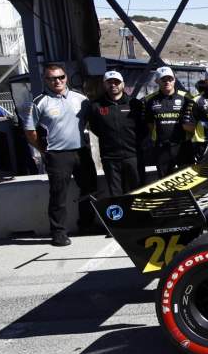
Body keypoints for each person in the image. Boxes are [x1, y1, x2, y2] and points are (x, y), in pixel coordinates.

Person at [22, 63, 96, 247]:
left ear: (66, 78)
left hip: (81, 152)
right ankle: (58, 233)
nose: (58, 81)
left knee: (89, 189)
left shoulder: (81, 99)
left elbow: (92, 121)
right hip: (57, 155)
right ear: (45, 80)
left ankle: (87, 225)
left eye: (61, 77)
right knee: (58, 195)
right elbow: (30, 132)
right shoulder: (39, 102)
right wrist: (42, 149)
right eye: (52, 78)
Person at [87, 70, 144, 195]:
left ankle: (139, 215)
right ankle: (123, 215)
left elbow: (143, 128)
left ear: (122, 84)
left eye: (116, 82)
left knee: (138, 191)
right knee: (116, 194)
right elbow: (95, 128)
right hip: (110, 158)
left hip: (133, 156)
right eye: (109, 82)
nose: (113, 85)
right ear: (104, 85)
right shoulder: (96, 106)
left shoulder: (135, 104)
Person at [144, 66, 194, 178]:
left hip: (183, 146)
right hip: (162, 147)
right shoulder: (149, 100)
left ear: (174, 80)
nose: (167, 82)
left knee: (189, 178)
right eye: (163, 79)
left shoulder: (187, 97)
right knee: (165, 181)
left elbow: (193, 120)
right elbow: (149, 123)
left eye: (170, 79)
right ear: (157, 81)